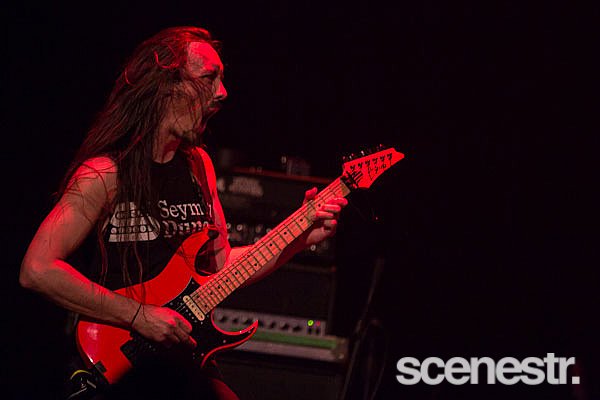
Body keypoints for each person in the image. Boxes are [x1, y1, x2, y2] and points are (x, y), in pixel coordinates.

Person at [19, 26, 347, 399]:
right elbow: (37, 269)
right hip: (118, 356)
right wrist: (139, 316)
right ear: (166, 86)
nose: (222, 92)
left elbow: (221, 267)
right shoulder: (105, 174)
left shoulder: (198, 166)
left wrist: (298, 238)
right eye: (208, 78)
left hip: (181, 354)